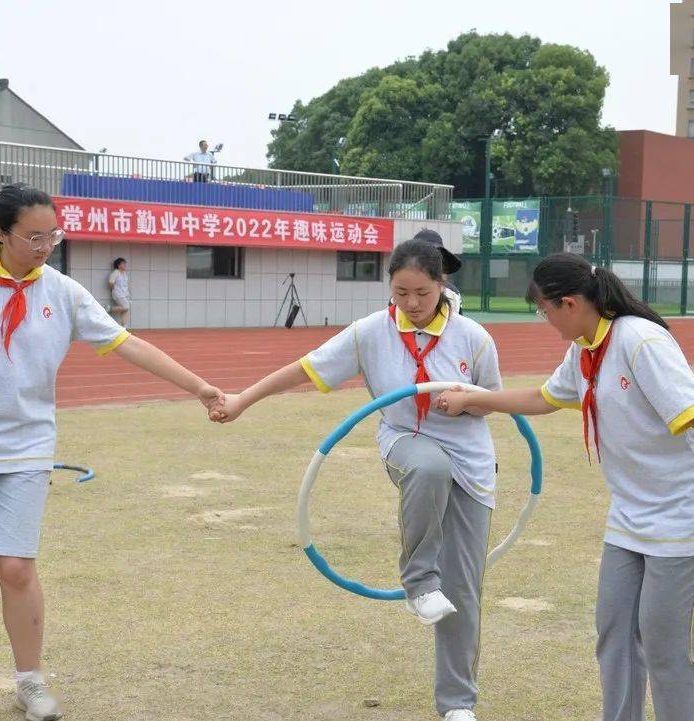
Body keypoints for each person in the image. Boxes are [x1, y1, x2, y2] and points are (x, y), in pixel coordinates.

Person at [0, 184, 224, 721]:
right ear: (0, 233)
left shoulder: (64, 293)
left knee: (18, 568)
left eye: (54, 235)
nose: (47, 245)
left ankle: (30, 681)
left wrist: (200, 387)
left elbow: (127, 343)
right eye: (34, 236)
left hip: (26, 448)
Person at [437, 253, 694, 721]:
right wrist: (473, 400)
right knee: (615, 636)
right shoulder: (585, 348)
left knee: (670, 651)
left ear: (568, 303)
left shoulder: (640, 341)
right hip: (631, 516)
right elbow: (544, 398)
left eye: (544, 310)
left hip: (688, 515)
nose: (544, 320)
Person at [210, 239, 502, 721]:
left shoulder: (473, 337)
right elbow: (307, 368)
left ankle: (457, 705)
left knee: (464, 593)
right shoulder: (370, 332)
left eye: (422, 293)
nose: (410, 303)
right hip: (406, 442)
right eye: (400, 291)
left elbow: (494, 398)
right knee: (429, 467)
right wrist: (244, 399)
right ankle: (418, 579)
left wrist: (468, 400)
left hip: (471, 459)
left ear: (442, 287)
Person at [413, 228, 463, 314]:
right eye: (423, 257)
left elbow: (458, 325)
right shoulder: (400, 295)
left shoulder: (452, 295)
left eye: (435, 258)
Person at [108, 257, 130, 326]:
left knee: (125, 309)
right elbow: (110, 283)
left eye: (125, 264)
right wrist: (114, 290)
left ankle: (124, 326)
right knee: (126, 307)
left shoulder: (124, 273)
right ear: (118, 265)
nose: (125, 265)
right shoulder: (115, 273)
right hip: (118, 294)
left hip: (125, 294)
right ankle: (109, 309)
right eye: (123, 264)